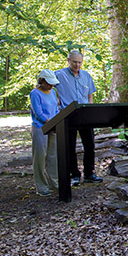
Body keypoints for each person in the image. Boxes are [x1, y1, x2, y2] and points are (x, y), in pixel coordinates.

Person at [55, 50, 102, 186]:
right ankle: (74, 175)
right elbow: (46, 86)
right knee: (70, 146)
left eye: (80, 62)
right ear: (68, 60)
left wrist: (91, 110)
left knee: (89, 145)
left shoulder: (86, 75)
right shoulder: (59, 75)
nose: (77, 65)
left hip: (85, 115)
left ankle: (89, 173)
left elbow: (90, 95)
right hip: (68, 115)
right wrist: (56, 101)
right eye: (74, 62)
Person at [29, 69, 60, 197]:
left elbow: (56, 109)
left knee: (53, 156)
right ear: (42, 81)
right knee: (40, 157)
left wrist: (58, 121)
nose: (51, 86)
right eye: (48, 83)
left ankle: (55, 183)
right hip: (40, 128)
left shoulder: (53, 92)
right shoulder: (35, 93)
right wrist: (50, 122)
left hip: (54, 126)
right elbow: (38, 112)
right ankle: (41, 186)